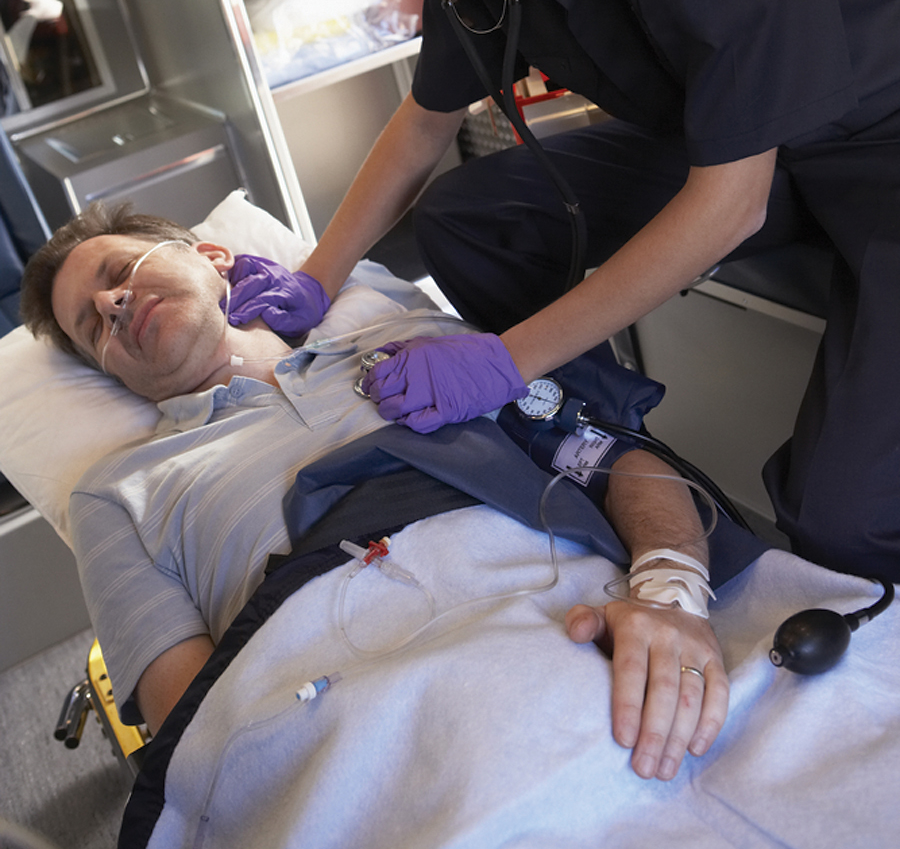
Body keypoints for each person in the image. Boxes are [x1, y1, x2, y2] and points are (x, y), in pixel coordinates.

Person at [270, 0, 900, 585]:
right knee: (468, 219)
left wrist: (504, 358)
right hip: (742, 148)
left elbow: (729, 202)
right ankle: (610, 449)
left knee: (840, 518)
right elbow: (425, 125)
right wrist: (312, 282)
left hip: (876, 143)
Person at [18, 200, 759, 782]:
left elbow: (608, 454)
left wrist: (670, 594)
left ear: (212, 258)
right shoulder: (117, 495)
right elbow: (196, 730)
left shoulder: (410, 345)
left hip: (577, 614)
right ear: (109, 370)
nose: (113, 303)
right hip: (362, 711)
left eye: (119, 270)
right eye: (92, 324)